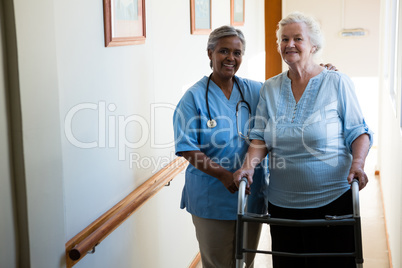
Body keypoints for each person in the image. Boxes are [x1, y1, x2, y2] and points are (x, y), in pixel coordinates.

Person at [233, 12, 373, 268]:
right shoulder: (270, 88)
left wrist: (358, 163)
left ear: (313, 45)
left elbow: (359, 131)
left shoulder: (337, 82)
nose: (290, 44)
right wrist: (248, 166)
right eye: (284, 39)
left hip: (332, 201)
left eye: (298, 38)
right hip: (282, 205)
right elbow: (259, 138)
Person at [173, 25, 269, 268]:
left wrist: (323, 72)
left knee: (246, 261)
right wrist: (223, 175)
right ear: (210, 53)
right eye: (224, 51)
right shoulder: (193, 97)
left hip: (250, 194)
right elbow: (187, 147)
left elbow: (288, 86)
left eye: (237, 53)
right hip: (211, 197)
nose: (231, 58)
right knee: (218, 264)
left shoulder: (254, 90)